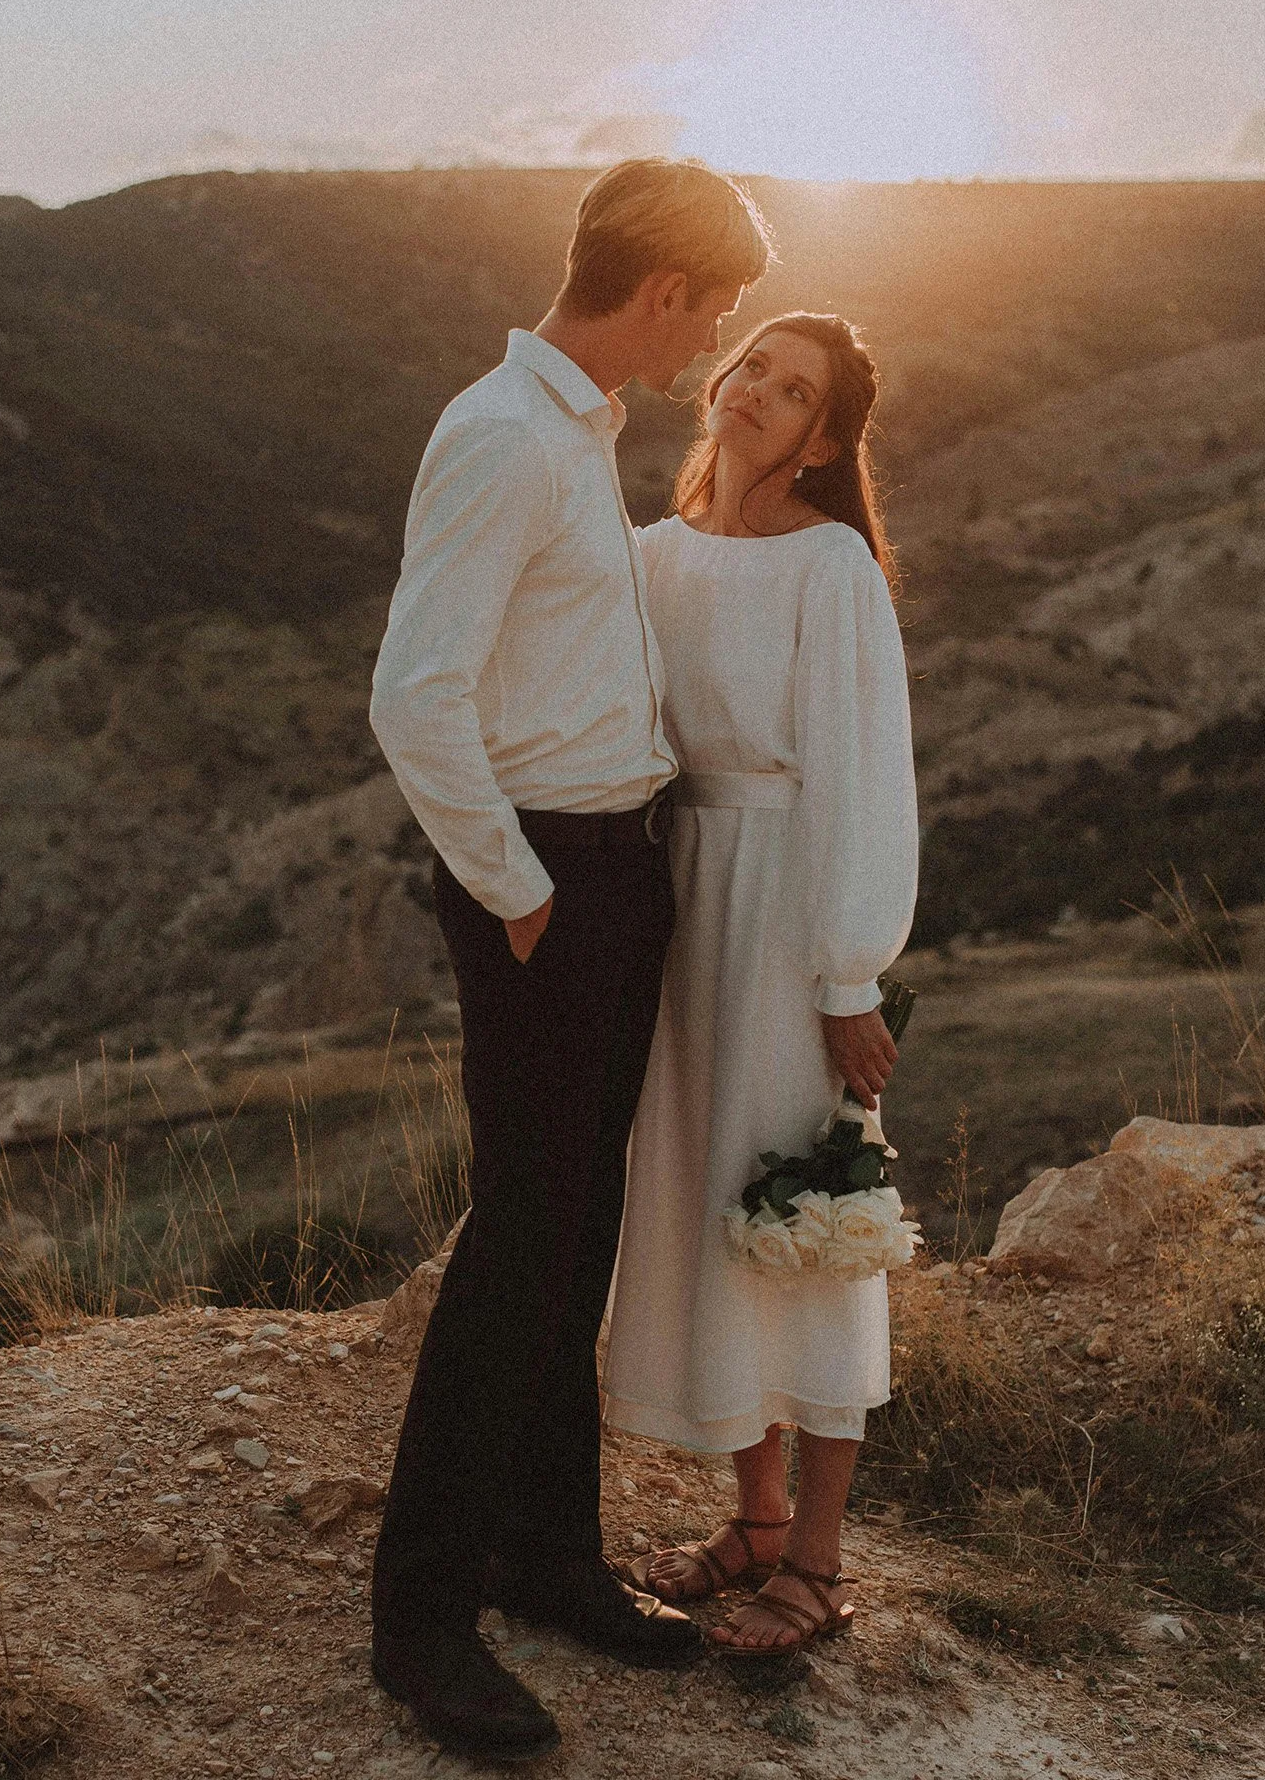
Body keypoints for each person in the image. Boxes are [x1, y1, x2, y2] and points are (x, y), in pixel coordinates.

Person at [367, 158, 772, 1761]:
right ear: (661, 289)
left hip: (612, 872)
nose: (719, 336)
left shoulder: (575, 433)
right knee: (525, 1239)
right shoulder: (501, 436)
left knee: (578, 1224)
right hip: (549, 883)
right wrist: (522, 889)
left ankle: (548, 1559)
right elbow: (417, 695)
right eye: (716, 303)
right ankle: (421, 1618)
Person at [603, 312, 920, 1655]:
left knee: (807, 1216)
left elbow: (863, 768)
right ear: (716, 384)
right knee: (709, 1204)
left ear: (823, 439)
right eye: (754, 371)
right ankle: (759, 1525)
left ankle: (825, 1564)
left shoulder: (831, 567)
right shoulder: (647, 556)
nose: (763, 397)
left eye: (798, 393)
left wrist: (850, 973)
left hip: (791, 912)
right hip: (683, 905)